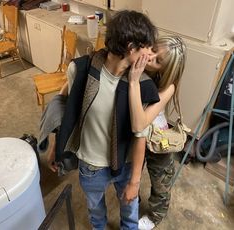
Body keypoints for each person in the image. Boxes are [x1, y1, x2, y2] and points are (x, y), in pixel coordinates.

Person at [46, 10, 160, 230]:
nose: (150, 53)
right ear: (130, 47)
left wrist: (135, 181)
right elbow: (65, 111)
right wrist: (56, 146)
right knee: (95, 212)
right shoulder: (81, 70)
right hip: (91, 165)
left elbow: (140, 135)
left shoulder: (142, 85)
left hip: (125, 164)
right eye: (146, 46)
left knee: (130, 213)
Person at [122, 35, 187, 230]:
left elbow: (141, 123)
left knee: (161, 182)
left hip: (157, 141)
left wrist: (134, 81)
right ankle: (134, 200)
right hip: (137, 139)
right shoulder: (142, 65)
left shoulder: (168, 86)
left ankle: (156, 215)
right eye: (154, 49)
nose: (150, 57)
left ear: (166, 70)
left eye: (158, 61)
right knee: (131, 173)